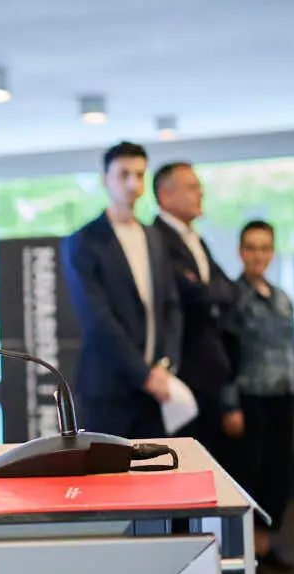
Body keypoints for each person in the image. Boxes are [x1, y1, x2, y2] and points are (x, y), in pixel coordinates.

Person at [61, 142, 182, 439]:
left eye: (140, 175)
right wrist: (144, 375)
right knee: (107, 482)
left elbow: (171, 308)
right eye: (124, 174)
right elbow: (97, 320)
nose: (133, 184)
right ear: (105, 179)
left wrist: (164, 366)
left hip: (156, 390)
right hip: (108, 390)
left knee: (155, 478)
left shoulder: (154, 238)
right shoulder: (84, 241)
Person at [222, 221, 294, 571]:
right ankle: (242, 552)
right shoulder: (231, 297)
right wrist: (229, 404)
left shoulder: (283, 298)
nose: (258, 255)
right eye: (251, 248)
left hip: (284, 396)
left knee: (278, 473)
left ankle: (264, 546)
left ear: (272, 253)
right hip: (249, 398)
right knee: (248, 474)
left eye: (264, 248)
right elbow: (224, 355)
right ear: (241, 252)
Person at [151, 162, 239, 464]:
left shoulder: (196, 239)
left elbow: (229, 290)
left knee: (208, 464)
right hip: (181, 368)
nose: (200, 193)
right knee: (181, 462)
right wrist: (205, 290)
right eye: (191, 187)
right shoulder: (157, 238)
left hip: (209, 369)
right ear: (165, 195)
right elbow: (191, 294)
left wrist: (204, 290)